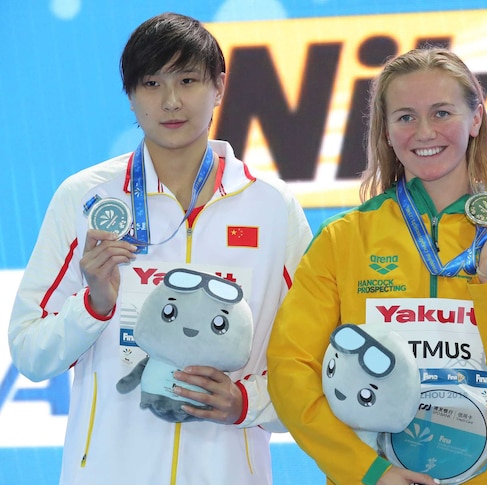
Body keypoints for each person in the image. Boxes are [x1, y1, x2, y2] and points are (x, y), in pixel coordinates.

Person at [8, 13, 312, 484]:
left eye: (188, 80)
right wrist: (94, 305)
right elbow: (30, 353)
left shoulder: (272, 208)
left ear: (219, 86)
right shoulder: (87, 197)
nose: (171, 101)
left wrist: (246, 403)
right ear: (130, 95)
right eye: (151, 83)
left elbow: (314, 365)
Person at [267, 47, 487, 485]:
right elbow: (289, 370)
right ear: (386, 131)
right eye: (405, 117)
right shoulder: (343, 238)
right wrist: (369, 472)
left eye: (442, 112)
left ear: (476, 119)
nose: (425, 132)